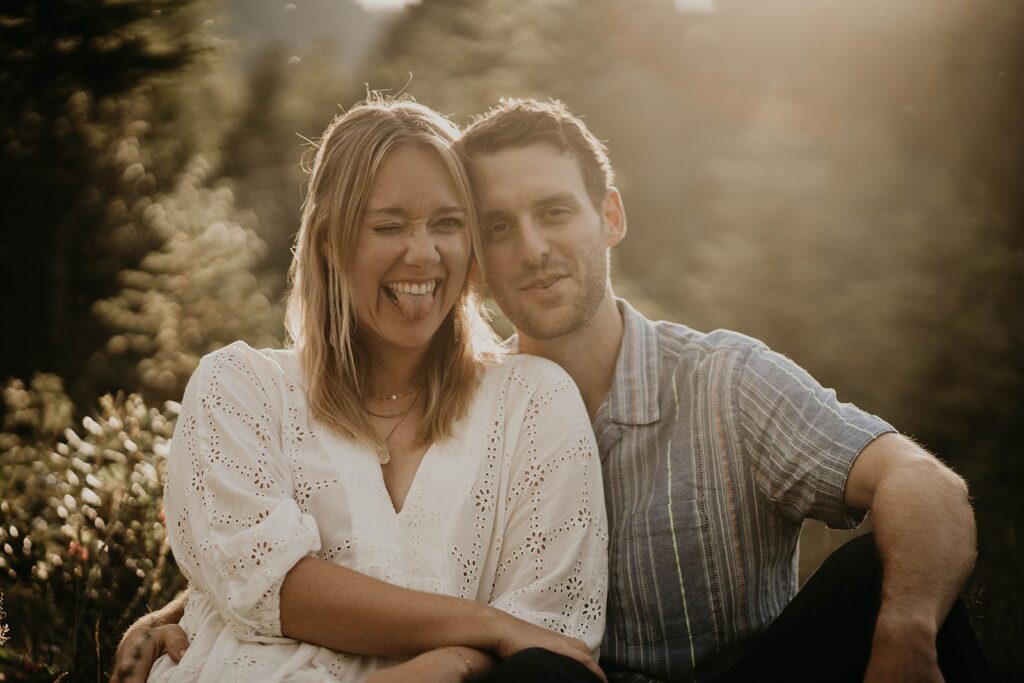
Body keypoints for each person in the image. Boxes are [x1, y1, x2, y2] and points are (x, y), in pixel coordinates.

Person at [117, 98, 988, 682]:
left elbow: (922, 482)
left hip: (738, 674)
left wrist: (904, 630)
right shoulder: (496, 403)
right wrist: (200, 596)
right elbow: (360, 539)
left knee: (889, 573)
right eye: (497, 226)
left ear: (608, 215)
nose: (531, 247)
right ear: (479, 263)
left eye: (556, 213)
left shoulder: (718, 380)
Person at [138, 96, 609, 683]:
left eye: (448, 224)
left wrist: (465, 653)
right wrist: (489, 629)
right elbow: (265, 585)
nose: (423, 253)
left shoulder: (532, 401)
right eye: (388, 225)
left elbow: (544, 638)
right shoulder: (239, 387)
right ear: (331, 242)